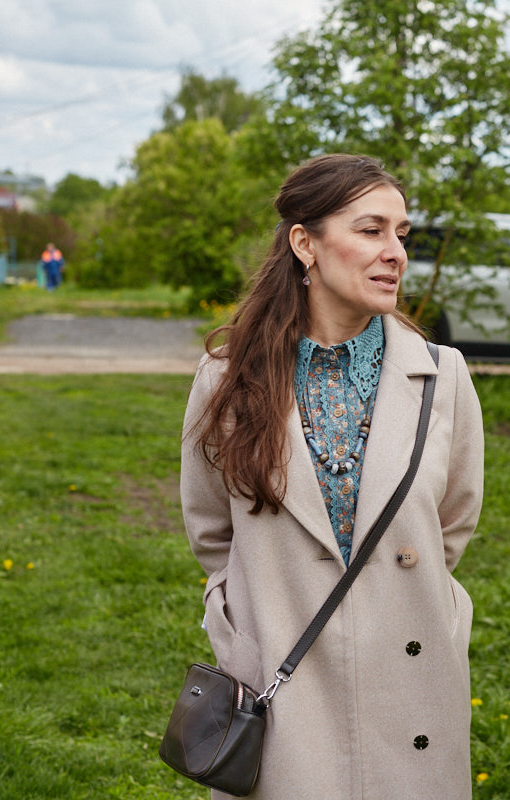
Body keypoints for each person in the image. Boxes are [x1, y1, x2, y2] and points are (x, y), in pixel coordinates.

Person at [179, 154, 484, 799]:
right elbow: (211, 531)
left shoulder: (443, 375)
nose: (396, 253)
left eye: (402, 234)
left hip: (410, 673)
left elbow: (452, 525)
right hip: (281, 674)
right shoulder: (227, 378)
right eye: (371, 230)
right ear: (305, 244)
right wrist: (242, 620)